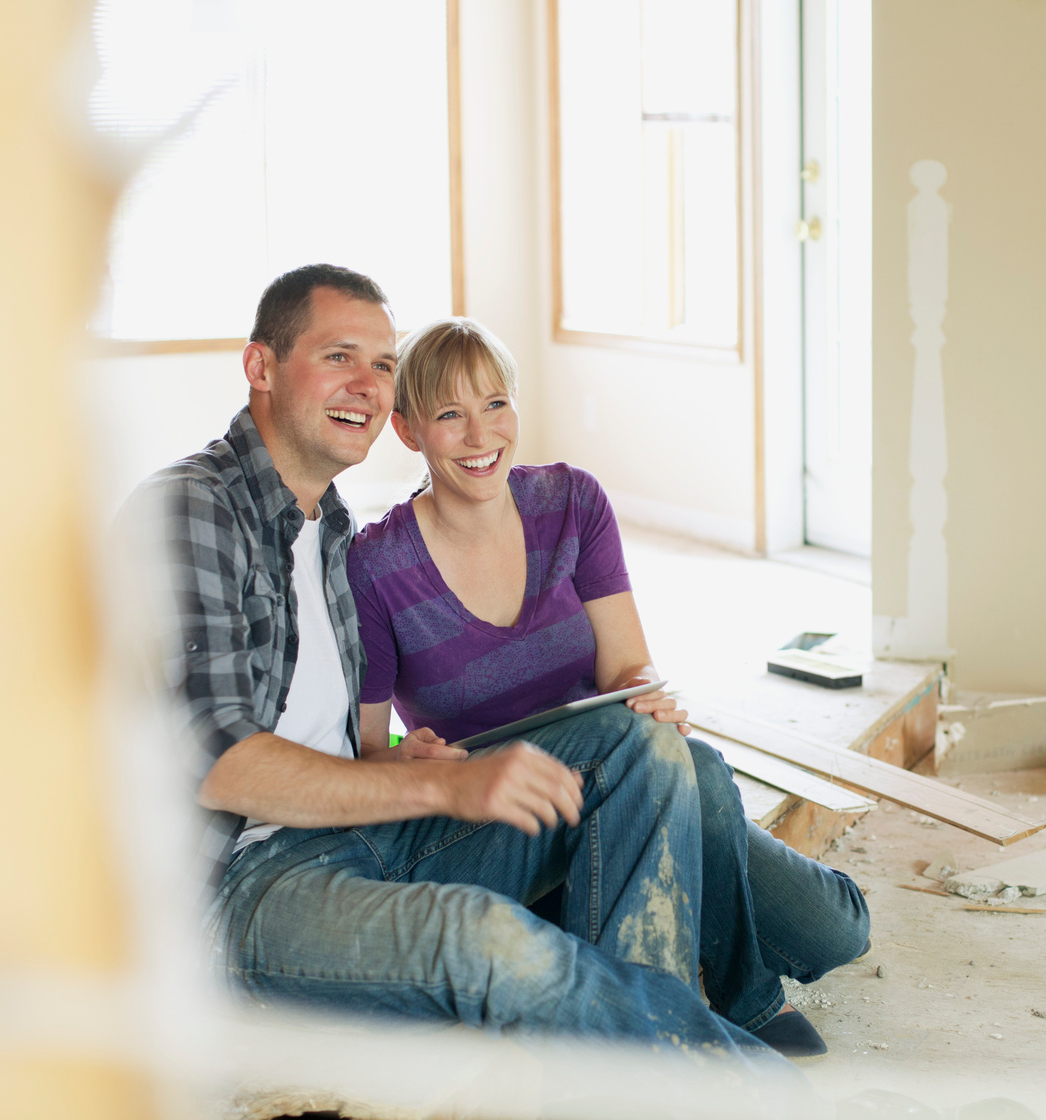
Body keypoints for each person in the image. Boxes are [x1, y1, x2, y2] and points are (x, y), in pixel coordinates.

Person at [130, 264, 781, 1063]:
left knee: (640, 745)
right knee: (493, 942)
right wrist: (441, 781)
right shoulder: (190, 508)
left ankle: (637, 1082)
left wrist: (410, 760)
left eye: (380, 364)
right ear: (261, 367)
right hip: (247, 883)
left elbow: (349, 739)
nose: (366, 385)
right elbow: (221, 762)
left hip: (374, 825)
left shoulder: (329, 528)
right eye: (339, 356)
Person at [347, 316, 871, 1061]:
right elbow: (369, 750)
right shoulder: (375, 565)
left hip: (636, 785)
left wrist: (648, 691)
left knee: (838, 930)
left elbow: (629, 669)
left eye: (496, 404)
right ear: (408, 431)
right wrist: (408, 758)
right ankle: (746, 1003)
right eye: (450, 415)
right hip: (510, 813)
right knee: (694, 771)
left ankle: (663, 924)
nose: (479, 435)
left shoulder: (571, 503)